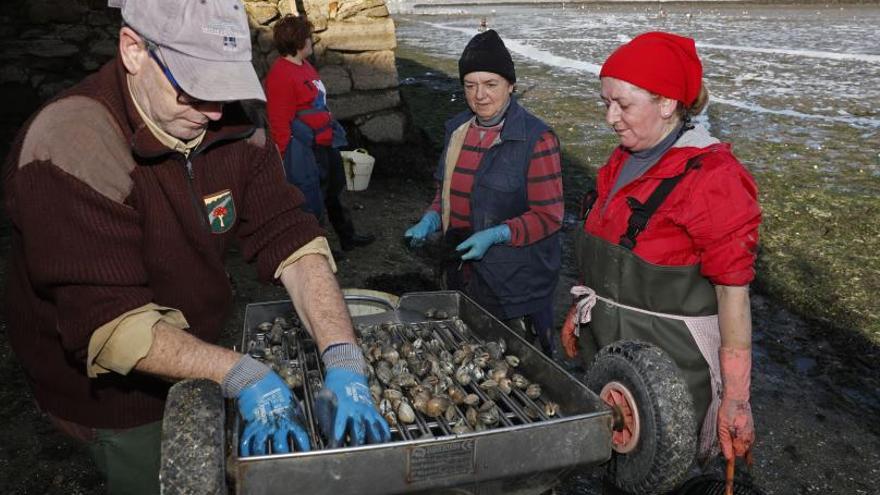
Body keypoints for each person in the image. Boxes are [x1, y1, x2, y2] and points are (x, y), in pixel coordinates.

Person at [2, 1, 389, 493]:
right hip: (115, 397)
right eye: (192, 87)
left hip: (201, 348)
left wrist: (342, 354)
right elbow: (110, 324)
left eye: (224, 88)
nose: (212, 112)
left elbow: (290, 236)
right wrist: (241, 373)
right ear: (133, 50)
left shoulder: (236, 123)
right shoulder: (69, 145)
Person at [561, 31, 760, 482]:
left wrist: (736, 397)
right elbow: (606, 253)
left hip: (675, 369)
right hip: (612, 361)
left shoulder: (713, 178)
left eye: (623, 105)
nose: (611, 117)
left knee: (666, 472)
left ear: (668, 103)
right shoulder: (620, 162)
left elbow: (734, 296)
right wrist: (582, 308)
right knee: (615, 467)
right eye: (605, 102)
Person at [403, 30, 564, 356]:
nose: (480, 95)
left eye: (490, 84)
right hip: (461, 271)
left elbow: (549, 217)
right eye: (470, 85)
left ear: (510, 85)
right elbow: (444, 190)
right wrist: (432, 218)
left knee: (516, 365)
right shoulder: (456, 129)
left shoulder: (537, 139)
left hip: (512, 282)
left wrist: (498, 234)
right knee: (467, 353)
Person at [265, 14, 375, 253]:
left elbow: (318, 102)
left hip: (324, 142)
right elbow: (279, 120)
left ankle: (347, 237)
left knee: (335, 190)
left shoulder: (305, 66)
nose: (311, 42)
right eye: (308, 37)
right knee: (311, 198)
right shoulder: (280, 74)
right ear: (298, 43)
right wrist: (283, 158)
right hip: (304, 148)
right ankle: (318, 247)